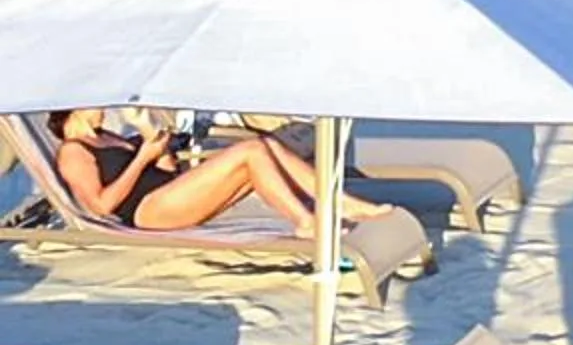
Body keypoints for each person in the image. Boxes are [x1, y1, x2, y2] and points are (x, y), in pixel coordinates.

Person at [50, 108, 379, 238]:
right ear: (76, 109)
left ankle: (339, 202)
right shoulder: (73, 151)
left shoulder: (107, 136)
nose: (104, 109)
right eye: (97, 104)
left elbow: (166, 169)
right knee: (251, 150)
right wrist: (140, 159)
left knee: (266, 147)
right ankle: (305, 221)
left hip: (169, 192)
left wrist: (155, 147)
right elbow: (100, 205)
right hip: (148, 210)